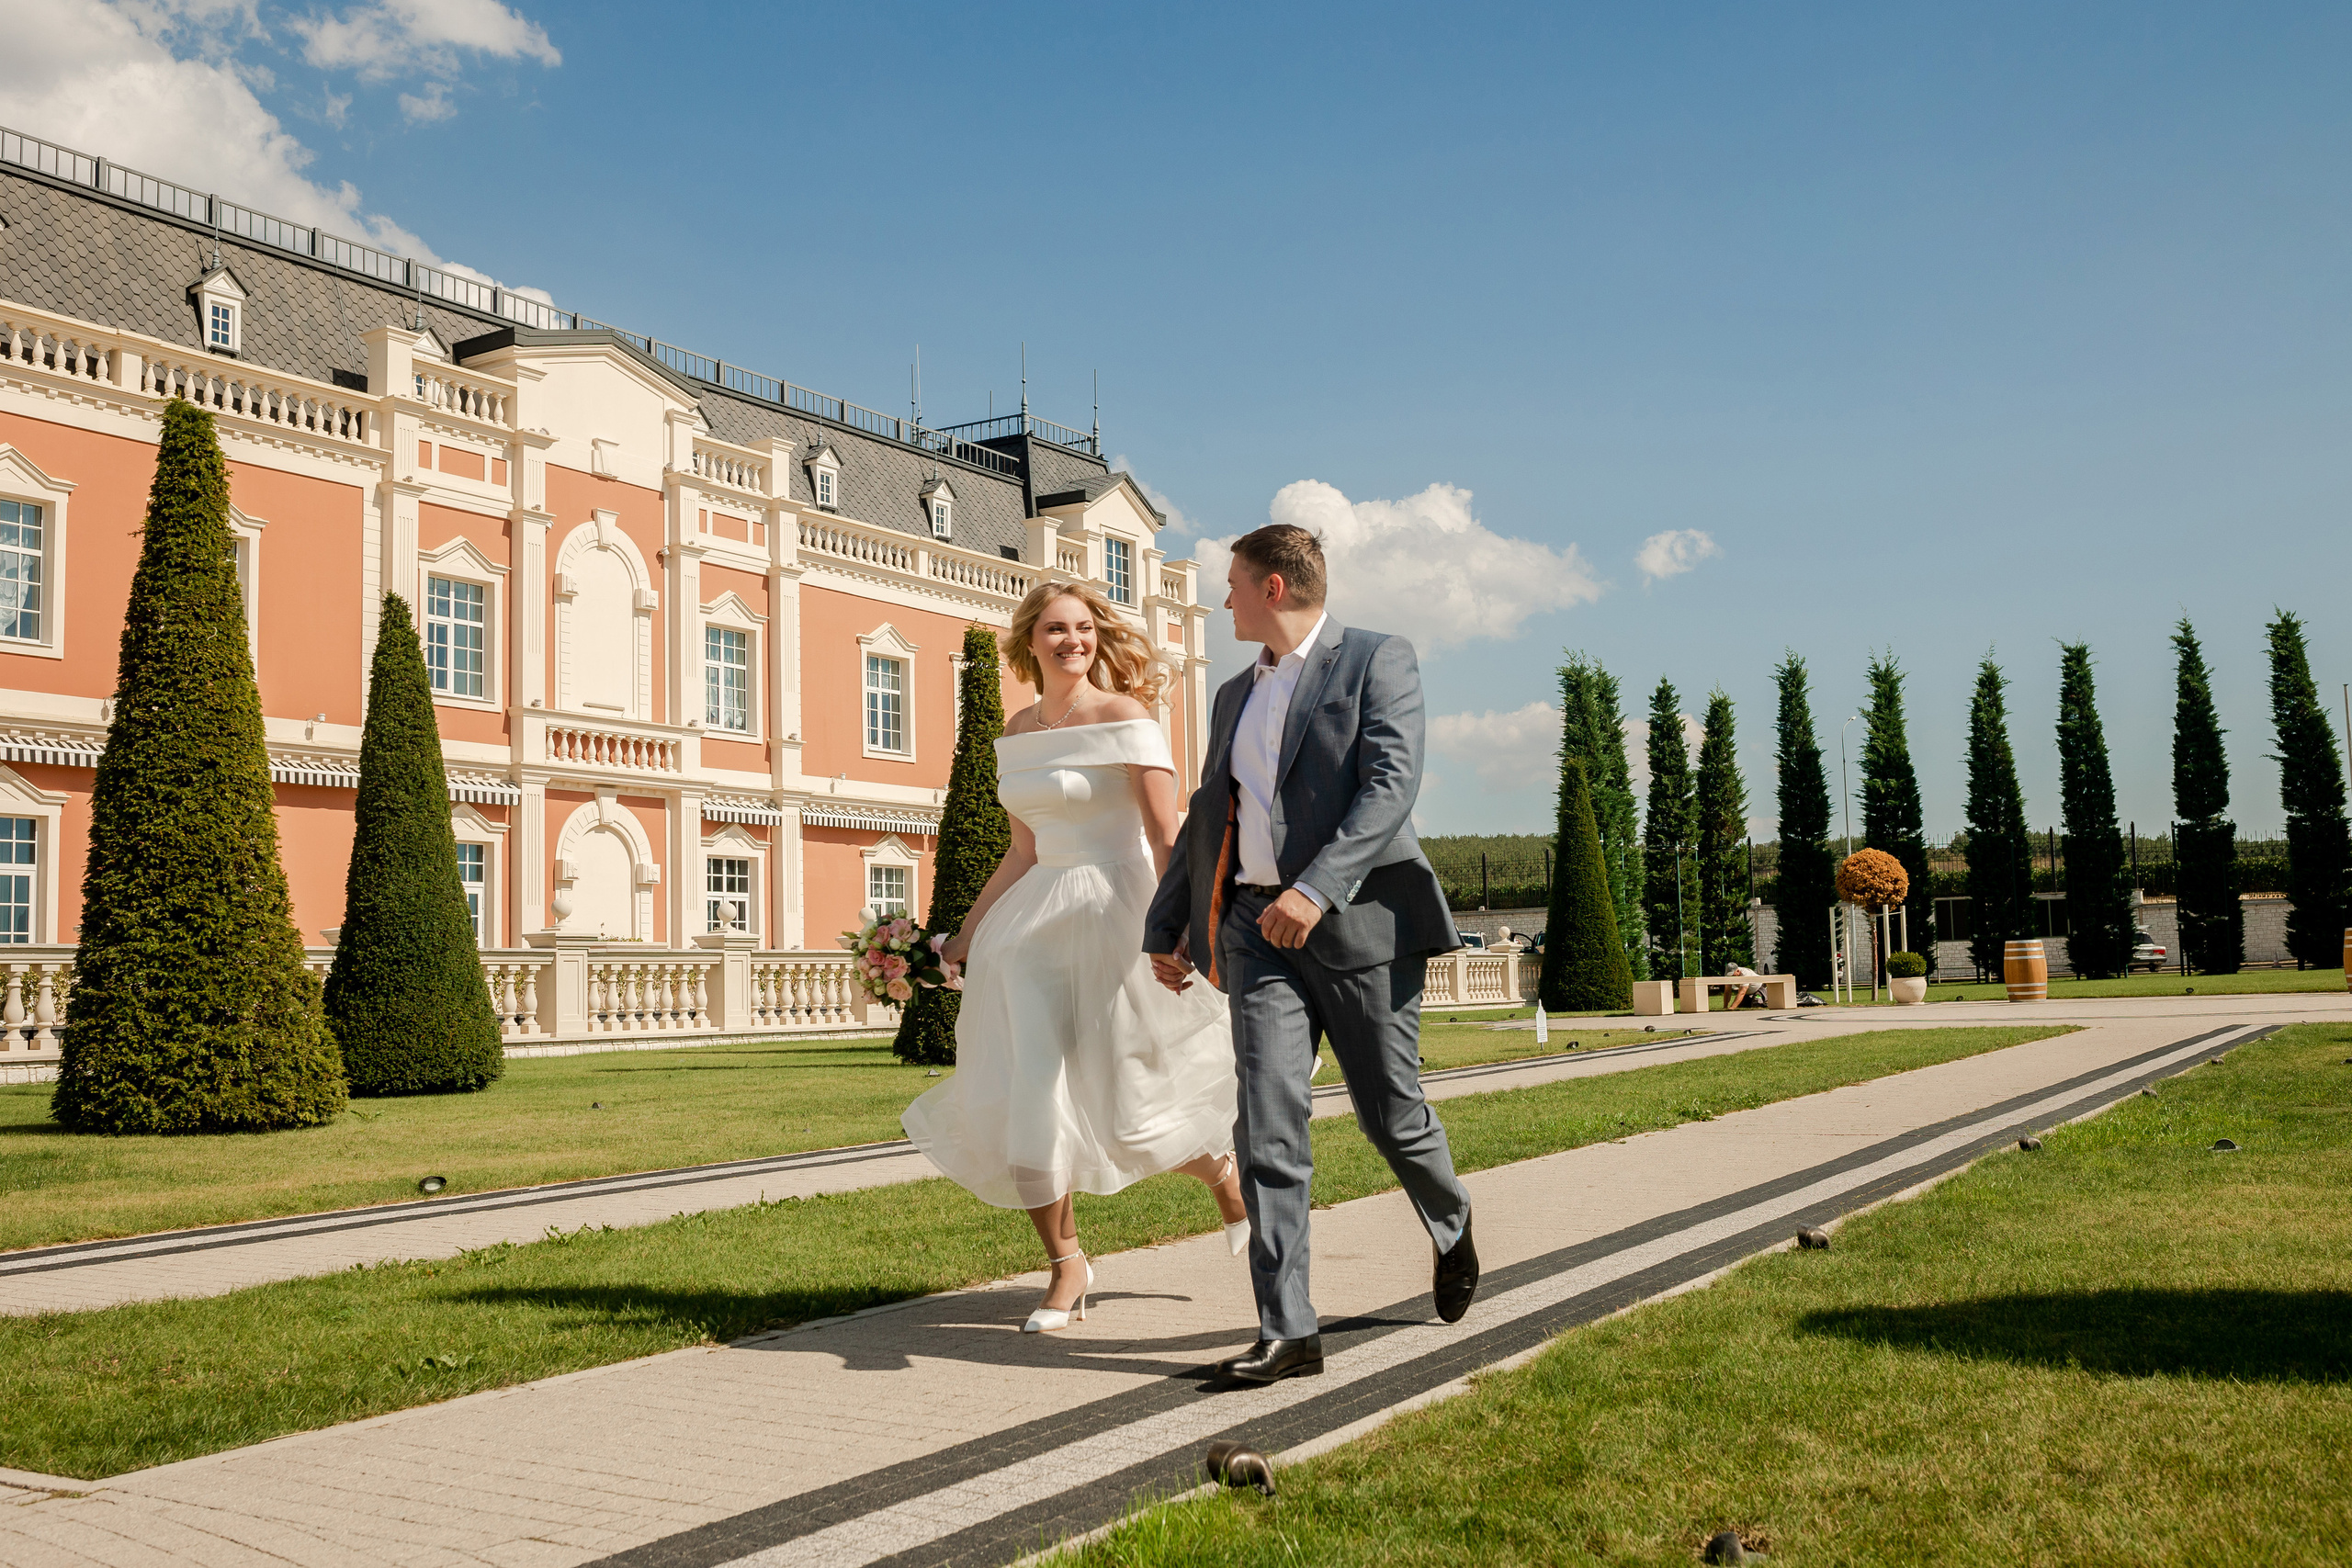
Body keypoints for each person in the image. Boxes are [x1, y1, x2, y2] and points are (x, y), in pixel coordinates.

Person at [1145, 524, 1478, 1386]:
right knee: (1264, 1125)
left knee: (1390, 1111)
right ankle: (1289, 1330)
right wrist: (1168, 922)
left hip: (1358, 925)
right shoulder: (1231, 696)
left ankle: (1451, 1219)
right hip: (1256, 934)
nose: (1225, 598)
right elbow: (1207, 816)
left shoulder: (1375, 659)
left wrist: (1317, 888)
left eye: (1234, 584)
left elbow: (1388, 787)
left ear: (1276, 588)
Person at [903, 581, 1249, 1335]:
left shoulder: (1127, 719)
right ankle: (1066, 1265)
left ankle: (1221, 1171)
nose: (1073, 641)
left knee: (1124, 1109)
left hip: (1118, 915)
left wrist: (1184, 928)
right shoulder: (1017, 731)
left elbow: (1166, 838)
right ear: (1030, 638)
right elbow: (1023, 850)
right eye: (1057, 628)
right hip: (1032, 927)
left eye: (1085, 629)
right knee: (1030, 1093)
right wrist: (963, 934)